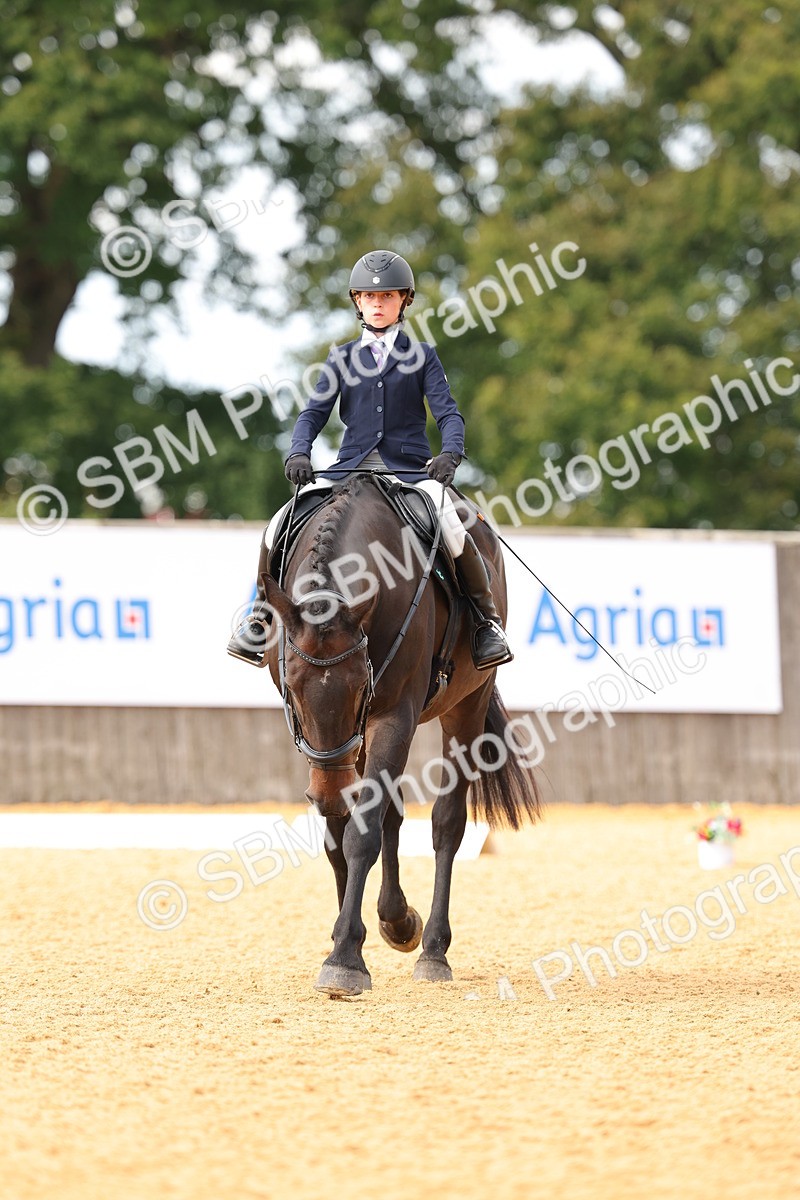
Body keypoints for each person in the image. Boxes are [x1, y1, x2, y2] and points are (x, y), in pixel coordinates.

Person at [227, 249, 513, 671]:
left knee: (452, 527)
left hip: (410, 471)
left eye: (388, 297)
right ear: (358, 302)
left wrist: (451, 452)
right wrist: (299, 451)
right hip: (348, 470)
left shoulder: (423, 356)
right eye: (369, 298)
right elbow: (312, 413)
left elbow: (448, 412)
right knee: (277, 526)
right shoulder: (341, 357)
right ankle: (260, 617)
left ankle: (486, 623)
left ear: (404, 301)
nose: (378, 304)